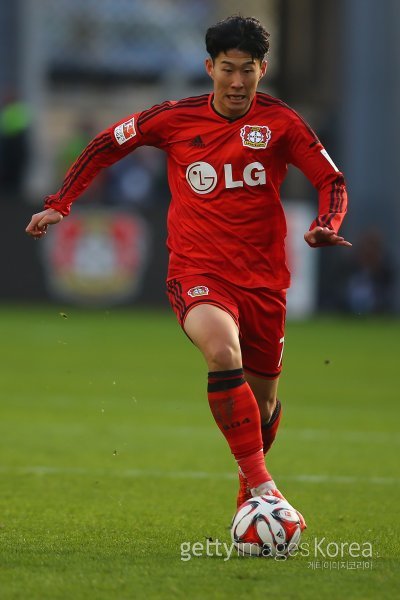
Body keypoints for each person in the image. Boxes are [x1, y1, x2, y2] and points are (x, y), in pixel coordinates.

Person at [26, 16, 351, 528]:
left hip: (264, 280)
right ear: (209, 67)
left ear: (263, 70)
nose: (238, 82)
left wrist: (327, 224)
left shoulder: (282, 123)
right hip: (197, 270)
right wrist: (61, 201)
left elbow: (331, 180)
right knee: (221, 352)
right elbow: (109, 142)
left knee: (264, 405)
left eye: (248, 70)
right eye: (228, 69)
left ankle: (249, 498)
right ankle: (264, 487)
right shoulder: (174, 118)